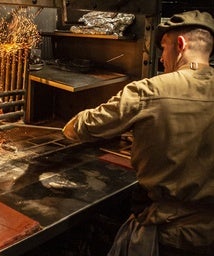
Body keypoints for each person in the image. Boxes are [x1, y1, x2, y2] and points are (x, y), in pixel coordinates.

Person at [62, 10, 214, 256]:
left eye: (163, 49)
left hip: (170, 236)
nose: (162, 59)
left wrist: (69, 126)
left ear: (180, 44)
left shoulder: (150, 90)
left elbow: (86, 126)